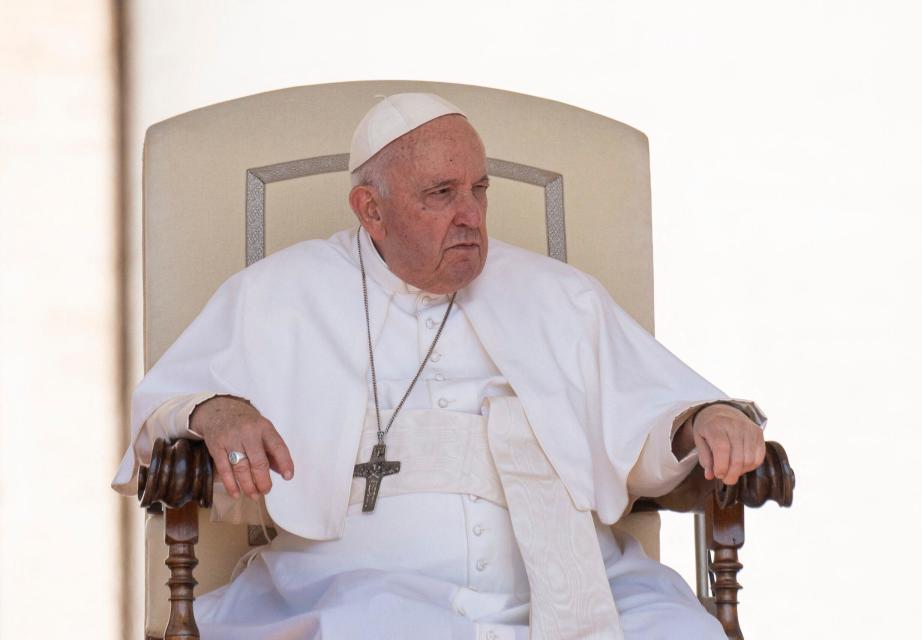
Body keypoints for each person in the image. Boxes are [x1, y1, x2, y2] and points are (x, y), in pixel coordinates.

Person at [113, 93, 767, 640]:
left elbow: (652, 407)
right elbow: (167, 403)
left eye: (479, 190)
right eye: (440, 193)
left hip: (576, 588)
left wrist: (702, 419)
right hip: (359, 592)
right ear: (370, 209)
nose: (471, 216)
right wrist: (218, 409)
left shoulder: (559, 294)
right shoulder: (278, 294)